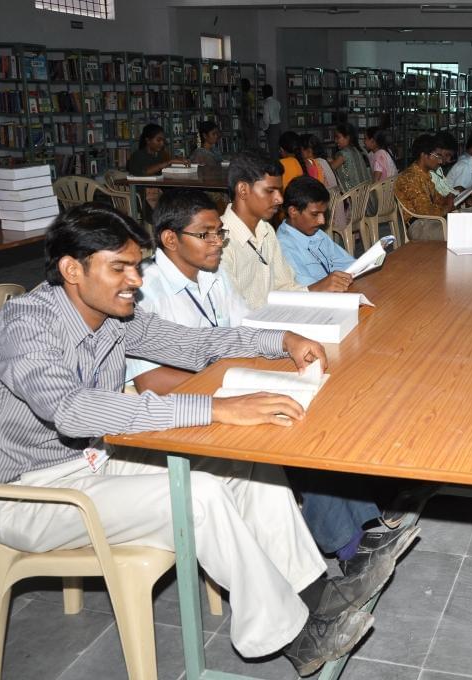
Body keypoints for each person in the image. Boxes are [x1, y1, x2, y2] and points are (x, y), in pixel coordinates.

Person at [0, 204, 384, 676]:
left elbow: (193, 344)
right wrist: (218, 407)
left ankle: (313, 593)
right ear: (71, 270)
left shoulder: (112, 313)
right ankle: (292, 637)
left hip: (96, 459)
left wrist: (280, 340)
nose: (135, 280)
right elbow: (72, 410)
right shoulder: (26, 325)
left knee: (244, 463)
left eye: (135, 266)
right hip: (31, 494)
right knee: (198, 493)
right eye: (118, 267)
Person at [126, 189, 415, 575]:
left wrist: (283, 346)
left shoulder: (211, 274)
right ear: (170, 239)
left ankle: (364, 521)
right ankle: (348, 547)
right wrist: (230, 383)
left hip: (227, 378)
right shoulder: (144, 290)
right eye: (207, 235)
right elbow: (150, 381)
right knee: (293, 426)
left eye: (219, 234)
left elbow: (244, 327)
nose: (217, 243)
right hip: (186, 401)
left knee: (321, 398)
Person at [219, 150, 307, 309]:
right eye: (270, 191)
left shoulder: (266, 230)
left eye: (279, 190)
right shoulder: (219, 242)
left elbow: (285, 286)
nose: (279, 199)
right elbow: (232, 311)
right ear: (243, 190)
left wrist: (319, 294)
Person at [276, 177, 356, 291]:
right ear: (293, 211)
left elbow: (348, 263)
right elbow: (306, 291)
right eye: (315, 214)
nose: (322, 221)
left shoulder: (316, 233)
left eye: (323, 214)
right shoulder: (283, 247)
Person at [394, 134, 454, 241]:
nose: (440, 161)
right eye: (438, 156)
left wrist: (449, 198)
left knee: (466, 225)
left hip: (431, 221)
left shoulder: (425, 175)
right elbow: (425, 211)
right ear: (424, 155)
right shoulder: (410, 177)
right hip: (418, 226)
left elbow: (438, 199)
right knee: (460, 233)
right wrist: (448, 208)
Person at [328, 123, 370, 191]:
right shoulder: (358, 149)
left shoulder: (344, 154)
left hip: (353, 197)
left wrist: (325, 162)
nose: (335, 141)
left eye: (338, 137)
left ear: (347, 137)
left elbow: (329, 168)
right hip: (365, 195)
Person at [429, 131, 459, 197]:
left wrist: (459, 193)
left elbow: (447, 189)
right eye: (447, 155)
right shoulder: (427, 173)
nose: (448, 160)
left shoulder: (438, 169)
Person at [261, 83, 281, 157]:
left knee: (272, 149)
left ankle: (274, 165)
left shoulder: (266, 104)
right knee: (277, 147)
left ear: (264, 93)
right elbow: (277, 112)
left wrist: (265, 128)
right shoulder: (277, 102)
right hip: (278, 126)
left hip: (271, 127)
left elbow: (266, 119)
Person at [239, 78, 257, 150]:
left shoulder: (242, 96)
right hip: (248, 121)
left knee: (246, 141)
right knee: (249, 141)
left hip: (245, 121)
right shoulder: (249, 96)